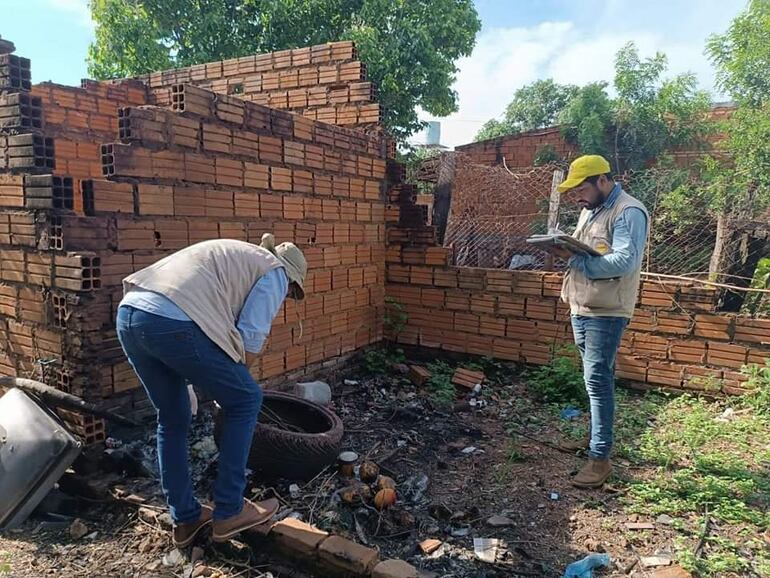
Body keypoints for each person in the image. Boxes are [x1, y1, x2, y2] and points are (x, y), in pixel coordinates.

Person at [116, 234, 307, 545]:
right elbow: (250, 339)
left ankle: (185, 519)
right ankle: (230, 510)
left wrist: (198, 382)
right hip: (170, 320)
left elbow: (199, 327)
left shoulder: (239, 260)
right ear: (291, 276)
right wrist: (233, 388)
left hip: (131, 314)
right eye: (291, 292)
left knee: (173, 417)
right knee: (247, 398)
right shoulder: (275, 272)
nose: (286, 296)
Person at [555, 155, 649, 489]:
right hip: (583, 306)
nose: (575, 196)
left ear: (602, 181)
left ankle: (600, 459)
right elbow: (591, 249)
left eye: (580, 188)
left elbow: (624, 259)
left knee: (598, 381)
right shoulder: (591, 209)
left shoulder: (628, 211)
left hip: (606, 312)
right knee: (592, 378)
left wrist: (580, 265)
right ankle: (595, 437)